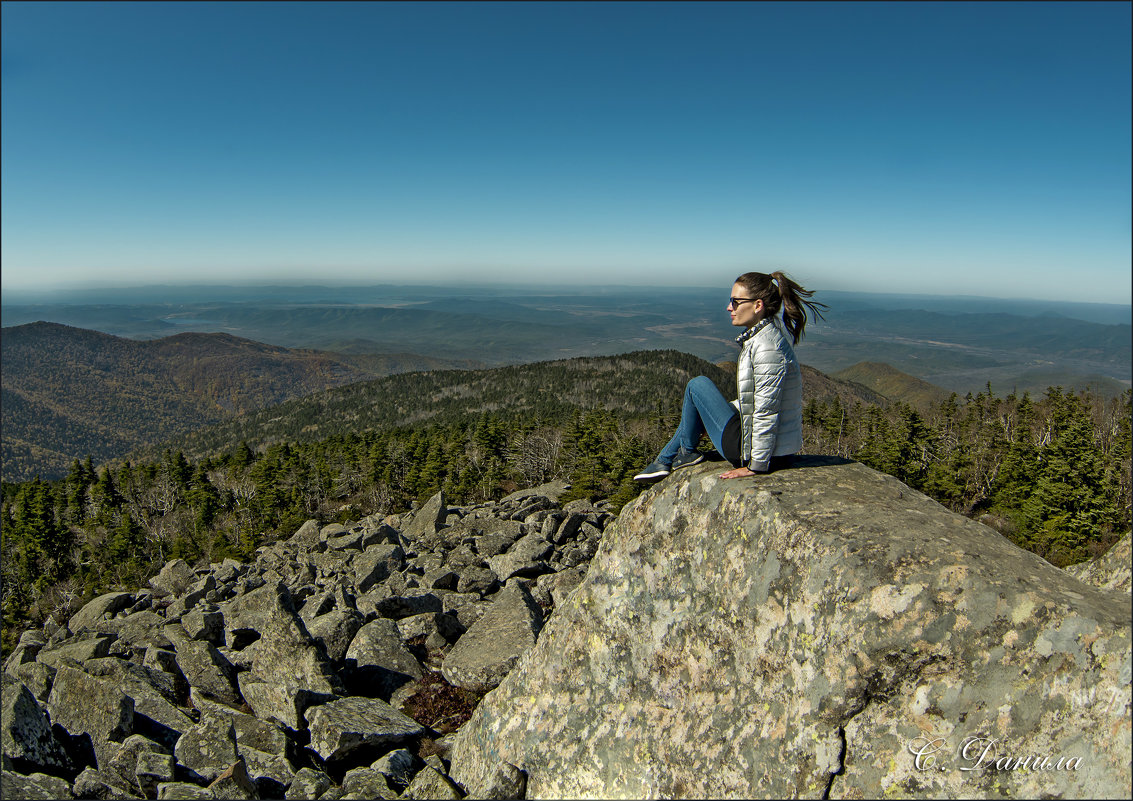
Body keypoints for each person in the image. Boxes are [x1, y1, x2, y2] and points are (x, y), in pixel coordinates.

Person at [634, 271, 826, 481]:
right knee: (701, 399)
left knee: (697, 385)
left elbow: (766, 411)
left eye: (735, 302)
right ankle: (665, 460)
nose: (729, 307)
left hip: (754, 453)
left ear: (757, 305)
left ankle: (675, 456)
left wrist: (757, 466)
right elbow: (757, 401)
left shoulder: (766, 348)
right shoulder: (766, 338)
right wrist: (713, 415)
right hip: (766, 448)